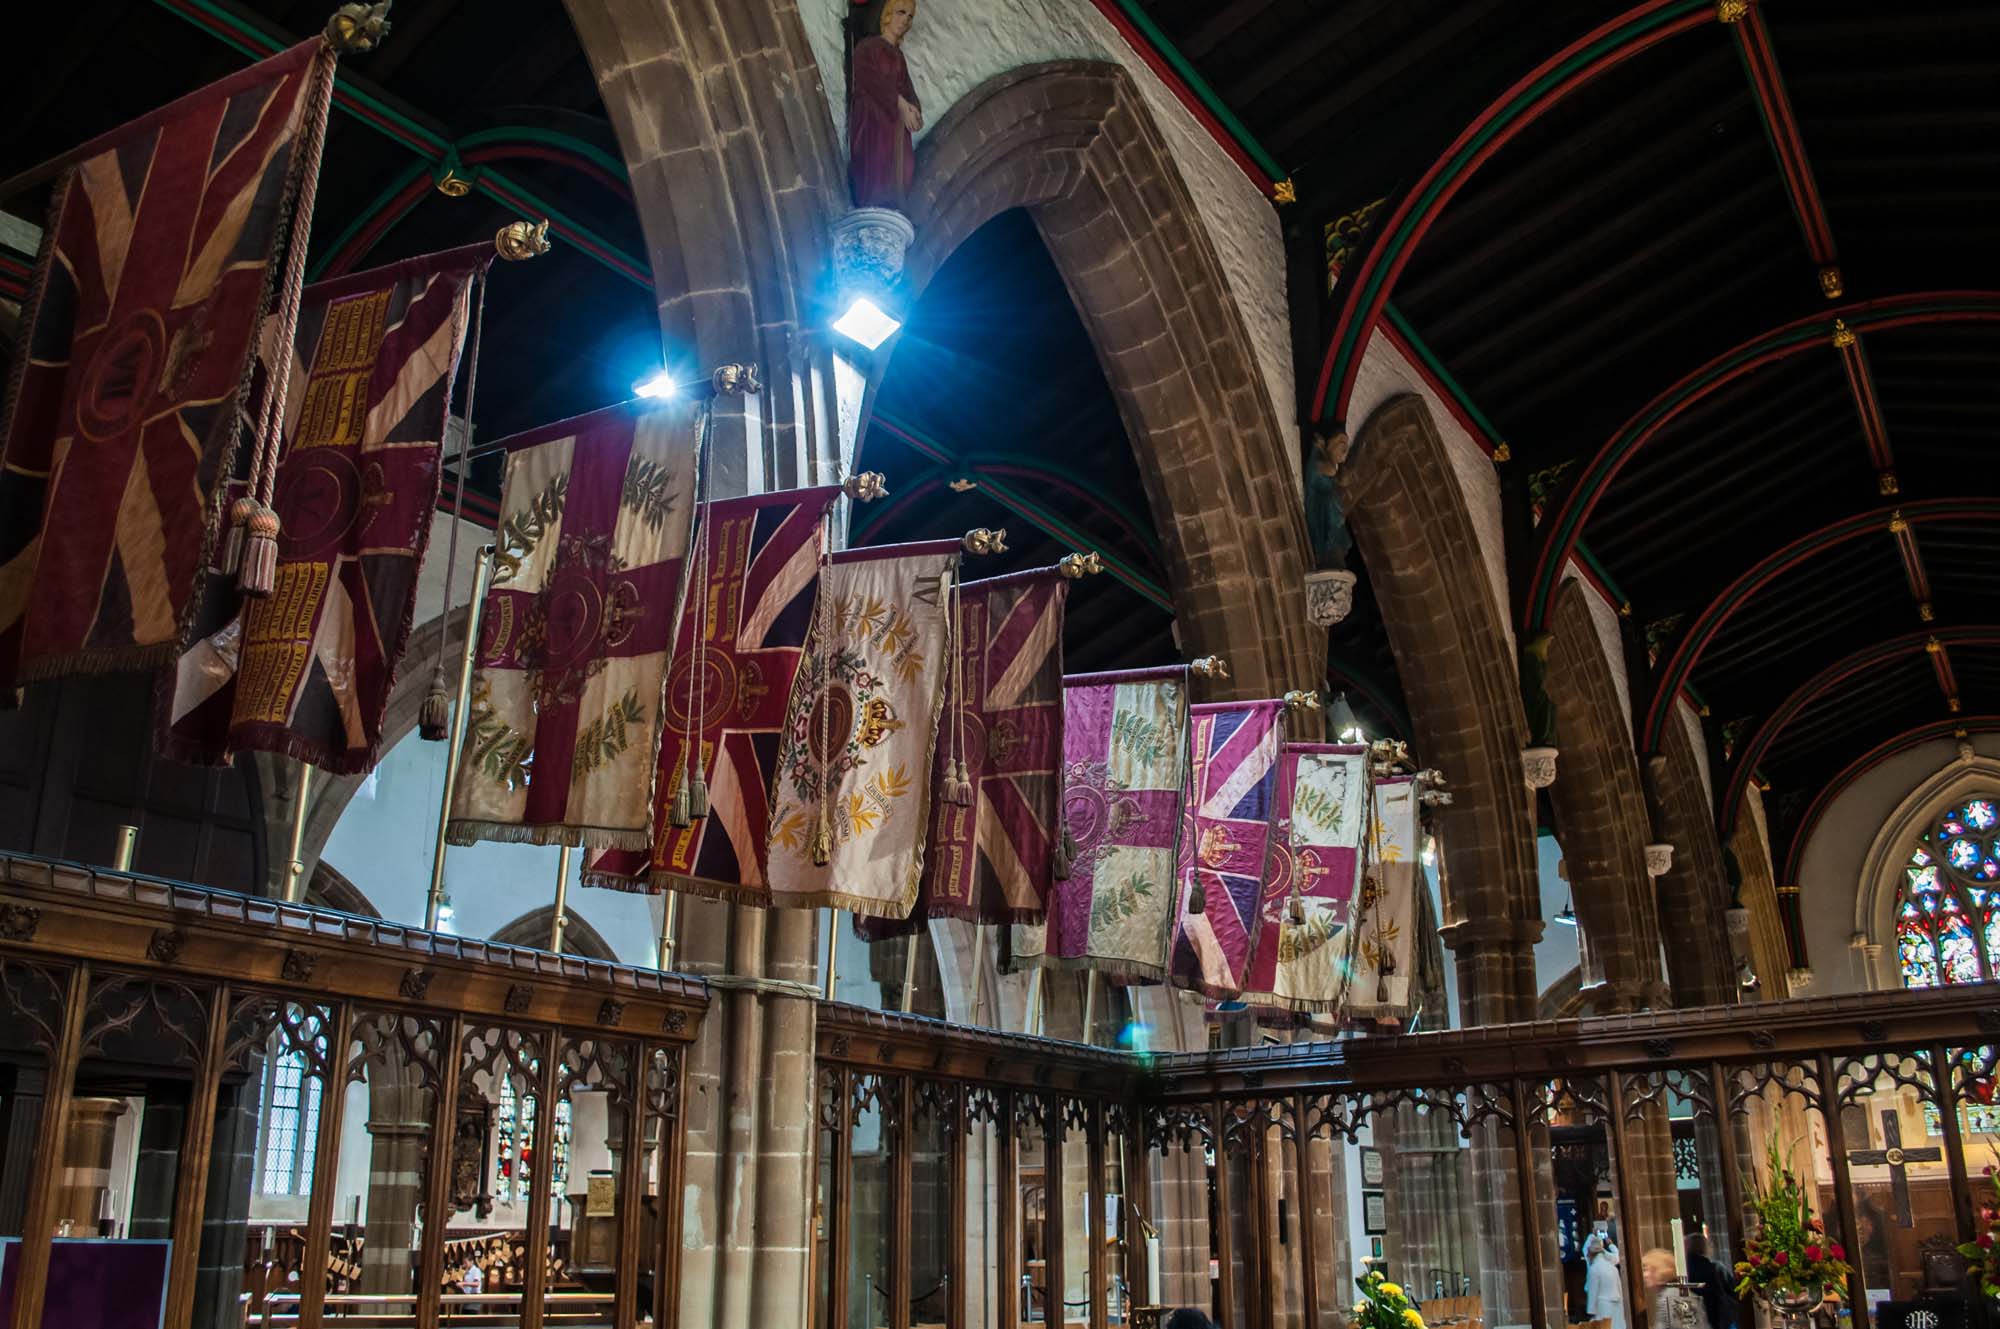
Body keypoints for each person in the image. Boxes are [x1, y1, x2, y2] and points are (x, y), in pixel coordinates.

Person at [847, 0, 922, 209]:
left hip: (896, 128)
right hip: (874, 121)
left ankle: (894, 205)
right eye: (901, 12)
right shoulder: (868, 47)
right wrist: (899, 103)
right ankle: (874, 204)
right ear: (887, 14)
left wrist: (914, 109)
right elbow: (868, 78)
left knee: (902, 169)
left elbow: (908, 89)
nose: (905, 20)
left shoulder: (899, 56)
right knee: (877, 164)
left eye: (910, 17)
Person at [1643, 1248, 1709, 1329]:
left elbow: (1691, 1327)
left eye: (1646, 1269)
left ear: (1659, 1271)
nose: (1644, 1275)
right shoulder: (1670, 1294)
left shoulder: (1674, 1296)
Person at [1685, 1232, 1738, 1329]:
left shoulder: (1685, 1270)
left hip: (1695, 1318)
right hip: (1717, 1316)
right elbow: (1733, 1291)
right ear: (1704, 1247)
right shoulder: (1715, 1268)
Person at [1585, 1233, 1628, 1329]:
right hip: (1617, 1304)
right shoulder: (1612, 1267)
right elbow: (1619, 1287)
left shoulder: (1594, 1268)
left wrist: (1591, 1311)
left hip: (1603, 1306)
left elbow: (1593, 1291)